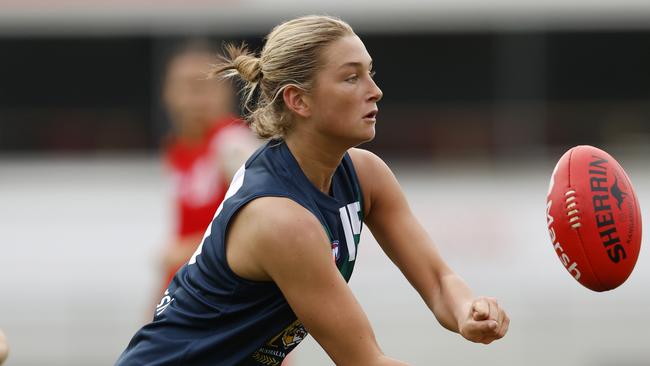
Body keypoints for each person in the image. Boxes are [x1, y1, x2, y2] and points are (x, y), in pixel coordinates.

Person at [117, 15, 509, 365]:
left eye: (370, 73)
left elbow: (440, 282)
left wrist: (467, 310)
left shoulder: (366, 175)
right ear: (298, 100)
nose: (375, 91)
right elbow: (364, 362)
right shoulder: (282, 220)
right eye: (351, 77)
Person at [159, 40, 258, 290]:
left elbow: (259, 225)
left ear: (225, 91)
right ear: (167, 93)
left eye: (205, 86)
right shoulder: (177, 148)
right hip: (186, 290)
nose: (195, 98)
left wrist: (188, 248)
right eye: (188, 86)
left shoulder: (233, 144)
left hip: (219, 295)